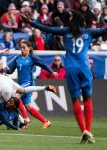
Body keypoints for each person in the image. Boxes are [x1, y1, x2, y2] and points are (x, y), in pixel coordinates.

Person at [20, 10, 107, 143]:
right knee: (88, 98)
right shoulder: (89, 32)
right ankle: (88, 130)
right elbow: (104, 30)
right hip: (84, 68)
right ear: (82, 21)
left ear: (72, 21)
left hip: (71, 69)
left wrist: (30, 22)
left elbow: (47, 28)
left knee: (76, 100)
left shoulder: (66, 31)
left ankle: (83, 130)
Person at [0, 55, 57, 121]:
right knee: (23, 90)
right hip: (7, 81)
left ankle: (23, 122)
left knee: (11, 107)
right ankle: (45, 88)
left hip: (3, 89)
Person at [6, 40, 57, 128]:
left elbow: (43, 65)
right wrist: (7, 69)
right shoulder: (17, 58)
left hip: (28, 83)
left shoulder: (32, 58)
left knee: (15, 96)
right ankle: (46, 121)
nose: (22, 50)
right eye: (21, 48)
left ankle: (25, 118)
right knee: (28, 107)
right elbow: (11, 71)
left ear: (29, 48)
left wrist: (52, 71)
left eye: (24, 48)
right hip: (21, 84)